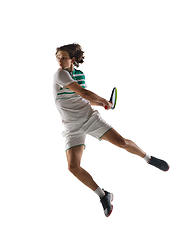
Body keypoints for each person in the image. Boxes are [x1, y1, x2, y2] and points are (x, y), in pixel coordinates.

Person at [53, 43, 169, 217]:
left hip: (89, 118)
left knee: (122, 142)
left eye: (64, 57)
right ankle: (104, 195)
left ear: (73, 60)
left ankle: (149, 158)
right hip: (71, 125)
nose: (60, 60)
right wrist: (103, 101)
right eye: (58, 57)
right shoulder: (60, 74)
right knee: (73, 167)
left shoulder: (80, 75)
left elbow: (82, 98)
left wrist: (101, 103)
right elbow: (84, 93)